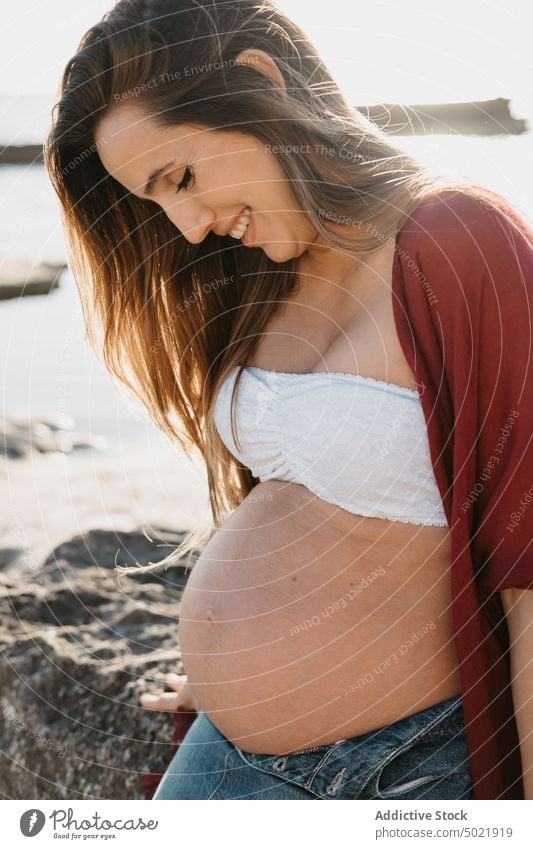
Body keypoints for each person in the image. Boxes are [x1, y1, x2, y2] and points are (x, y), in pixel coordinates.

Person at [44, 0, 533, 800]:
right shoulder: (266, 273)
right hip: (228, 750)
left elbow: (525, 575)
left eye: (184, 177)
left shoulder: (461, 239)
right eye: (156, 202)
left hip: (402, 763)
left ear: (258, 83)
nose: (188, 226)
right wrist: (236, 667)